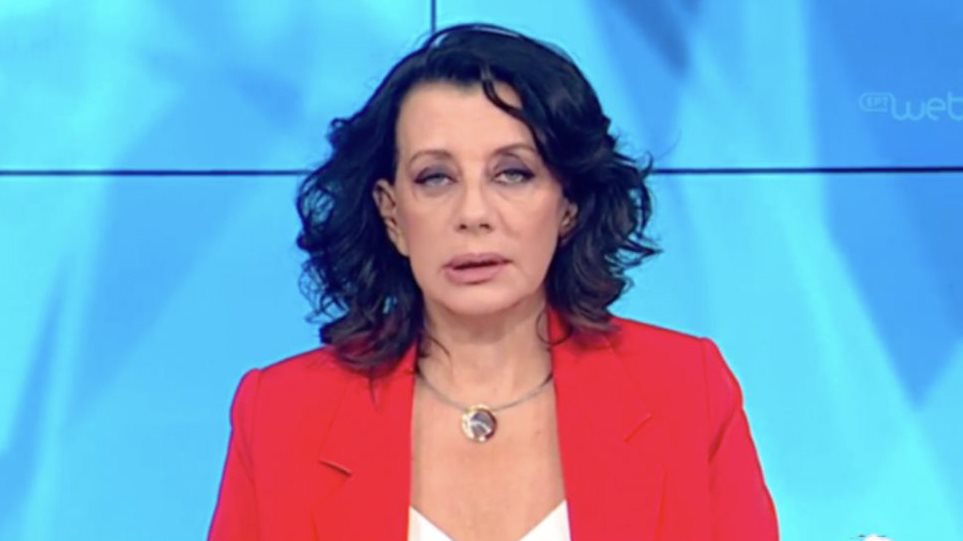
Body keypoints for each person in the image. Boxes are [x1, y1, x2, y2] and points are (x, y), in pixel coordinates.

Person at [208, 22, 778, 541]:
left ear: (568, 204)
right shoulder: (282, 414)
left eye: (513, 173)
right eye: (435, 178)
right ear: (392, 214)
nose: (473, 213)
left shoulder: (686, 391)